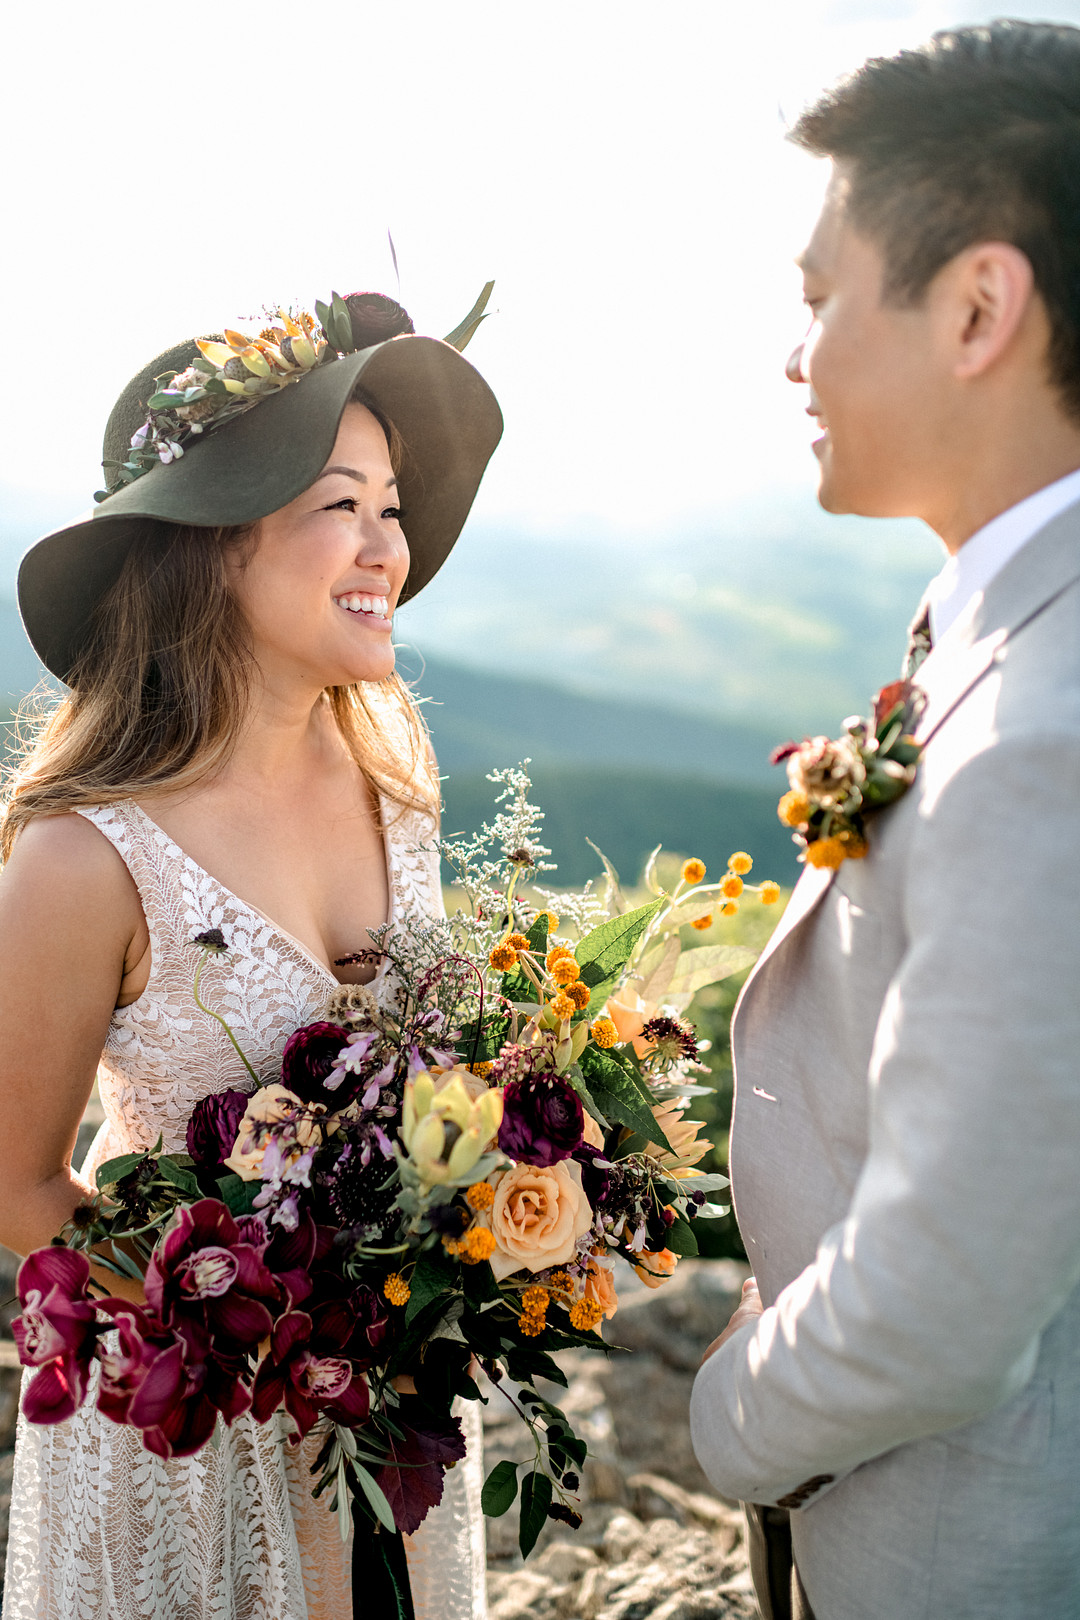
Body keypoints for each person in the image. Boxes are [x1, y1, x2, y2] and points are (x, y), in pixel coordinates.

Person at [0, 291, 502, 1619]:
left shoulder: (392, 776)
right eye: (342, 502)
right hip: (195, 1442)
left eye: (393, 506)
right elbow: (14, 1185)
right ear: (216, 543)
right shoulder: (83, 856)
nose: (386, 545)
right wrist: (250, 1329)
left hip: (392, 1425)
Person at [689, 21, 1080, 1620]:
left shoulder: (1043, 739)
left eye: (820, 299)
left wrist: (730, 1417)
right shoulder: (1002, 629)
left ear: (978, 306)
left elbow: (943, 1304)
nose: (799, 356)